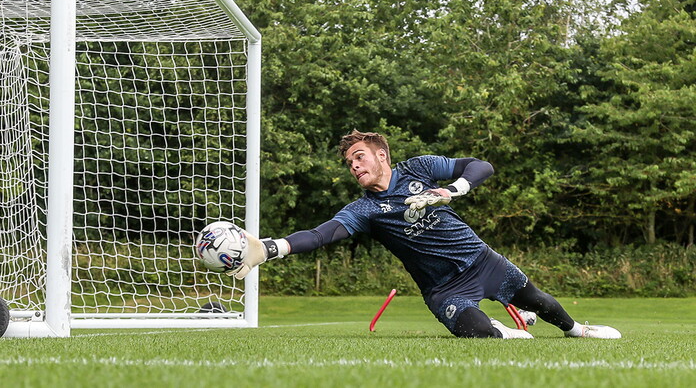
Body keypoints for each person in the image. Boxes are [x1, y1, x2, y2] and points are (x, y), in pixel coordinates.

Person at [230, 130, 621, 339]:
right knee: (482, 333)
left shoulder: (419, 168)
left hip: (482, 260)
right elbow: (320, 234)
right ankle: (502, 326)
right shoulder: (364, 209)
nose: (354, 166)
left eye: (359, 157)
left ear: (381, 155)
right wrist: (268, 248)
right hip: (443, 289)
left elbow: (479, 165)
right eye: (349, 163)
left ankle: (578, 330)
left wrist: (450, 190)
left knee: (537, 298)